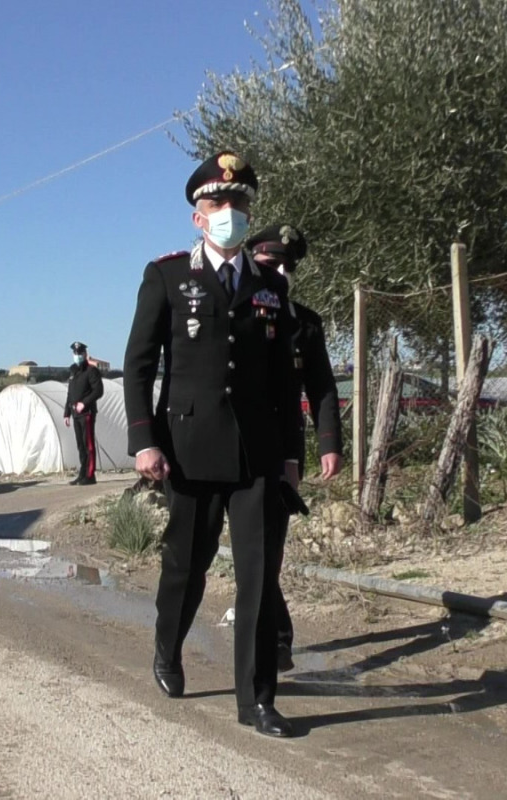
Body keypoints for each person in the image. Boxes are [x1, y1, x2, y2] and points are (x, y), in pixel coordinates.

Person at [123, 151, 304, 738]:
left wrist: (292, 453)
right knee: (186, 564)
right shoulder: (169, 276)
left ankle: (256, 701)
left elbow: (285, 380)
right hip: (190, 447)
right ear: (198, 217)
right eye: (217, 204)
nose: (229, 212)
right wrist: (144, 442)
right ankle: (167, 645)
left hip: (256, 454)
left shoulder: (269, 286)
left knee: (257, 573)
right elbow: (139, 363)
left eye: (238, 203)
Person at [246, 224, 343, 672]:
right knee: (249, 551)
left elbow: (322, 385)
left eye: (288, 266)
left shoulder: (305, 322)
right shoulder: (236, 313)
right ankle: (271, 634)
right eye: (271, 264)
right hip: (232, 449)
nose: (282, 272)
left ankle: (277, 639)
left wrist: (329, 443)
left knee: (270, 550)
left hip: (282, 453)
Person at [64, 341, 104, 485]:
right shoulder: (73, 373)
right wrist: (66, 413)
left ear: (85, 354)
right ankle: (82, 472)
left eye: (80, 353)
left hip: (86, 413)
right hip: (75, 414)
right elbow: (70, 394)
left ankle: (90, 474)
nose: (77, 356)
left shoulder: (91, 371)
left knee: (88, 445)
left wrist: (84, 403)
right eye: (75, 353)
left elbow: (98, 390)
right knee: (80, 445)